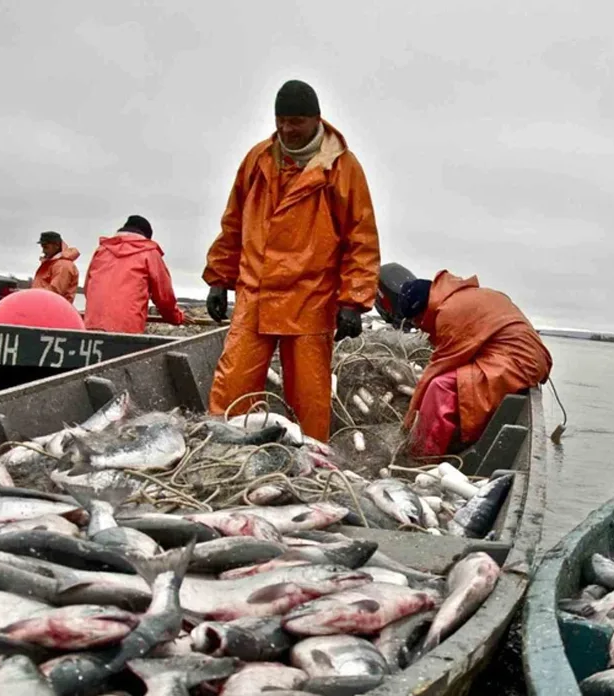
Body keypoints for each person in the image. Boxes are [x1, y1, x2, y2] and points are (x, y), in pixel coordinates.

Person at [203, 79, 380, 440]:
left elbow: (360, 239)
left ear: (316, 119)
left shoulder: (342, 168)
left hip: (310, 299)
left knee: (310, 398)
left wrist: (353, 301)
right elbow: (233, 222)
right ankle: (219, 452)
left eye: (295, 121)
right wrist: (220, 279)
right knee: (232, 387)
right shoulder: (257, 159)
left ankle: (312, 464)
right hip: (255, 293)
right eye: (280, 120)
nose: (286, 128)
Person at [381, 270, 553, 456]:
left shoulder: (448, 312)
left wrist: (407, 426)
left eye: (417, 321)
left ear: (422, 311)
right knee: (449, 381)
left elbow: (435, 371)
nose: (419, 326)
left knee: (440, 387)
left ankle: (423, 456)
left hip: (517, 362)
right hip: (527, 358)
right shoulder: (463, 296)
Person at [82, 215, 184, 333]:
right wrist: (176, 317)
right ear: (146, 237)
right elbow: (164, 296)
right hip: (127, 329)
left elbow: (88, 288)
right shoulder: (149, 253)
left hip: (92, 326)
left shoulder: (101, 250)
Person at [30, 231, 80, 300]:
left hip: (51, 309)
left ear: (56, 245)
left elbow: (54, 294)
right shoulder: (53, 264)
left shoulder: (63, 265)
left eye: (45, 247)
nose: (43, 251)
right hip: (43, 307)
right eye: (42, 247)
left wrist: (31, 297)